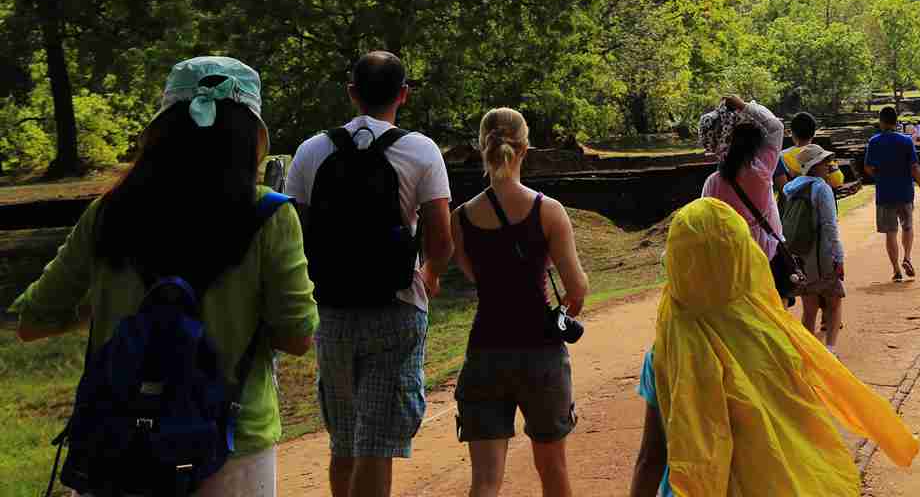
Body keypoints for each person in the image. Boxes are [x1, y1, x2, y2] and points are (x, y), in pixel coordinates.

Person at [13, 57, 318, 497]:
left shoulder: (110, 211)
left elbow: (32, 322)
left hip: (120, 445)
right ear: (251, 136)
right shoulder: (269, 216)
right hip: (229, 443)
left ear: (159, 132)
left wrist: (99, 310)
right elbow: (297, 336)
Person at [628, 198, 919, 496]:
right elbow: (803, 423)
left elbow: (651, 457)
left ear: (677, 263)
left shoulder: (666, 354)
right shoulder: (777, 336)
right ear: (745, 257)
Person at [285, 50, 453, 497]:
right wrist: (431, 274)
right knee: (377, 444)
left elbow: (293, 236)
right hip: (396, 309)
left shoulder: (311, 150)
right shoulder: (420, 150)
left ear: (352, 93)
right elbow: (441, 239)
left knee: (344, 442)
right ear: (403, 95)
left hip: (333, 311)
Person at [448, 108, 591, 497]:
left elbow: (477, 277)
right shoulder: (548, 211)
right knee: (553, 471)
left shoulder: (460, 219)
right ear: (526, 148)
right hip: (540, 353)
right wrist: (562, 314)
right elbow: (577, 289)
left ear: (482, 147)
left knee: (485, 481)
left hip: (485, 352)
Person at [699, 94, 784, 259]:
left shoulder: (712, 183)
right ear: (755, 143)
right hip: (766, 252)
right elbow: (776, 127)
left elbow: (705, 222)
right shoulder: (762, 170)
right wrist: (744, 105)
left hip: (733, 257)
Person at [781, 144, 846, 351]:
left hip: (800, 255)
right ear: (814, 165)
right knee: (834, 303)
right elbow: (829, 226)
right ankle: (831, 350)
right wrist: (838, 256)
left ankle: (809, 352)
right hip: (822, 254)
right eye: (824, 161)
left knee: (809, 308)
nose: (829, 165)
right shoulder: (821, 188)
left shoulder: (790, 188)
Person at [862, 105, 920, 282]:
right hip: (905, 191)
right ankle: (907, 257)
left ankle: (896, 270)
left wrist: (880, 176)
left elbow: (868, 168)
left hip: (885, 192)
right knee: (907, 227)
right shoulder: (906, 141)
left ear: (882, 121)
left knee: (890, 232)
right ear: (896, 121)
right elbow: (915, 167)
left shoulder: (874, 141)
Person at [775, 110, 843, 192]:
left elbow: (782, 189)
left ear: (792, 133)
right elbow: (837, 180)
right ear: (814, 133)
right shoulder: (822, 156)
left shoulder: (781, 157)